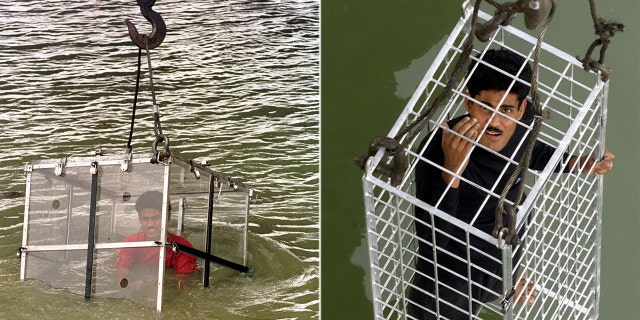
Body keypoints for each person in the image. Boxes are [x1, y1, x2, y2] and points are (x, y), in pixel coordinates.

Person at [406, 48, 614, 319]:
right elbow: (431, 241)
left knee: (510, 244)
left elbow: (529, 150)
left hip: (501, 248)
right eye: (485, 107)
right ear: (468, 103)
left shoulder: (523, 123)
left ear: (521, 109)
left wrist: (576, 162)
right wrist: (452, 171)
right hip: (451, 272)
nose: (495, 122)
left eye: (506, 110)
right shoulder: (438, 148)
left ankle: (506, 286)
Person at [115, 191, 199, 289]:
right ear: (139, 218)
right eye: (145, 219)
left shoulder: (183, 247)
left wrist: (149, 286)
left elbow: (183, 282)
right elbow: (121, 272)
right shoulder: (131, 242)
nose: (150, 224)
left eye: (155, 218)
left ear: (168, 217)